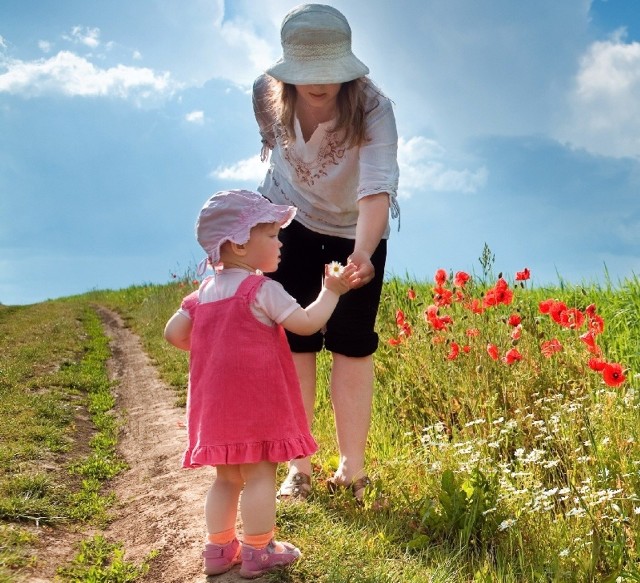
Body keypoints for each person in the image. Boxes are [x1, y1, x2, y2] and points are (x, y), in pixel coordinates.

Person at [252, 3, 399, 503]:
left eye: (329, 72)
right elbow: (273, 156)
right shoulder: (264, 94)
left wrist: (363, 254)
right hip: (286, 222)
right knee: (295, 340)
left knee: (353, 343)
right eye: (307, 71)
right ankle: (301, 467)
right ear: (289, 69)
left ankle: (352, 470)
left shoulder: (375, 108)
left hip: (355, 227)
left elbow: (376, 188)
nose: (319, 83)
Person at [163, 189, 352, 578]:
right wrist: (331, 291)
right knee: (261, 476)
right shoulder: (260, 290)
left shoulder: (200, 296)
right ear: (239, 242)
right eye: (270, 234)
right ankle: (258, 549)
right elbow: (305, 324)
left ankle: (217, 549)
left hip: (215, 409)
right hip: (257, 407)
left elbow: (173, 334)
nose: (280, 241)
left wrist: (212, 348)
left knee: (226, 478)